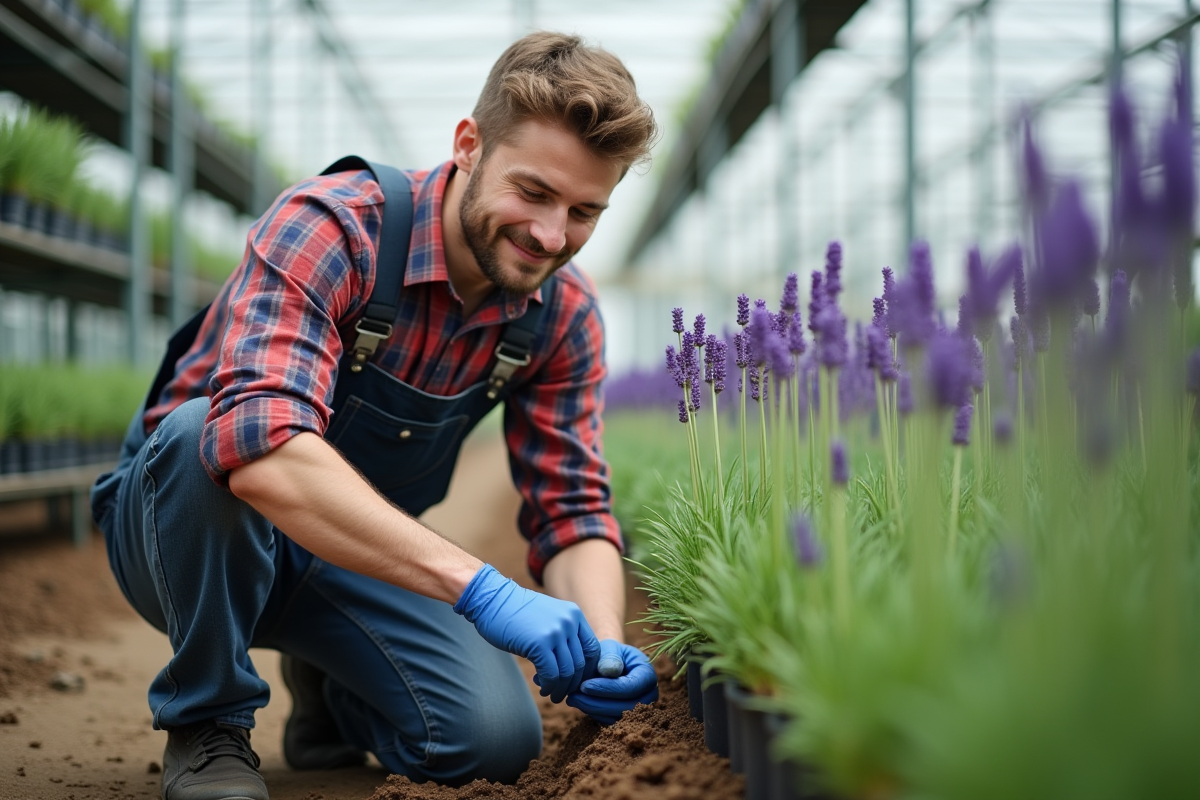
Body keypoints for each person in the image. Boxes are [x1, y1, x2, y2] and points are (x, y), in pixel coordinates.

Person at [90, 32, 660, 800]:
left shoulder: (561, 316)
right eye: (532, 192)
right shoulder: (334, 228)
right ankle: (208, 723)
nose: (552, 235)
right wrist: (485, 591)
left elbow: (573, 507)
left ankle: (330, 699)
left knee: (494, 741)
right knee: (208, 435)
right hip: (180, 535)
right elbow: (261, 447)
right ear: (468, 145)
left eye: (585, 210)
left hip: (342, 553)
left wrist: (604, 641)